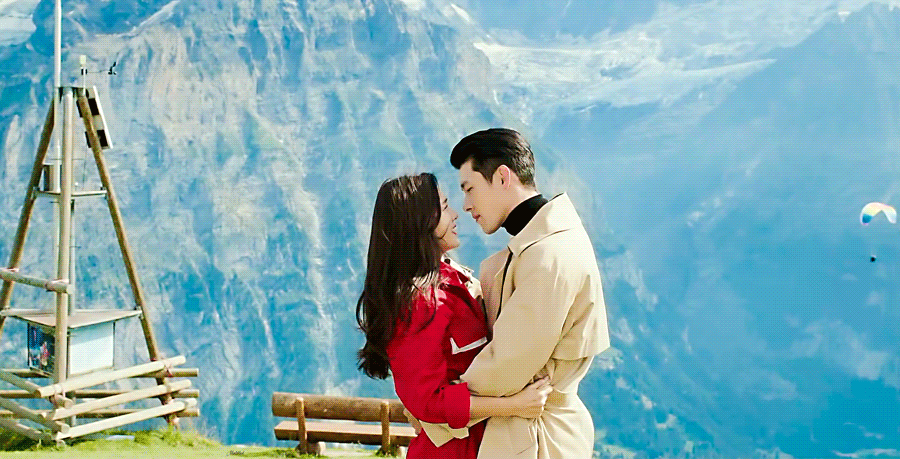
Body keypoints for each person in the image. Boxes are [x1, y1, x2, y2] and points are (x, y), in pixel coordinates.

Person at [420, 128, 611, 458]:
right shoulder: (541, 245)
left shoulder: (549, 254)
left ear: (502, 177)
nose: (466, 205)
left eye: (469, 189)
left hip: (538, 439)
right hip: (530, 429)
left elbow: (506, 365)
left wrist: (433, 412)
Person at [356, 173, 553, 459]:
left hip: (481, 442)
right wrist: (514, 405)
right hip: (453, 449)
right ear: (422, 221)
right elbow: (427, 401)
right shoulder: (420, 303)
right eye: (445, 207)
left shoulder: (450, 278)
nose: (455, 214)